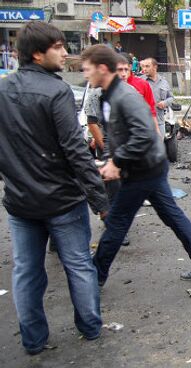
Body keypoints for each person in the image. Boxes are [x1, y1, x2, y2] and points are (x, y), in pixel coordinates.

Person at [0, 21, 109, 355]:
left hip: (20, 202)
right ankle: (90, 328)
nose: (66, 53)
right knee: (78, 265)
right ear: (37, 53)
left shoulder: (3, 91)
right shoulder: (56, 91)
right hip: (62, 200)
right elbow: (76, 151)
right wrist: (99, 200)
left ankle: (33, 340)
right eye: (59, 47)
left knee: (26, 272)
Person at [80, 45, 191, 286]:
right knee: (171, 215)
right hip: (148, 166)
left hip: (143, 169)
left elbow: (144, 136)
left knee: (117, 222)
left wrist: (118, 161)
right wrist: (111, 159)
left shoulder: (125, 95)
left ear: (102, 68)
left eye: (87, 69)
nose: (84, 74)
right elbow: (116, 133)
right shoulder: (108, 95)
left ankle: (95, 275)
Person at [141, 57, 174, 137]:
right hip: (143, 122)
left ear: (155, 67)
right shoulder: (140, 81)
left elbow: (171, 98)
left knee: (159, 147)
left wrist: (165, 103)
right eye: (143, 66)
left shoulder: (164, 82)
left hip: (159, 122)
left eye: (147, 66)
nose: (144, 69)